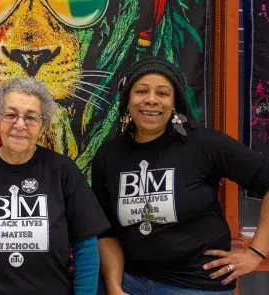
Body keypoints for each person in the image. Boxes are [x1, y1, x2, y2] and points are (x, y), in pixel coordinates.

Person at [92, 56, 269, 295]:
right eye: (141, 91)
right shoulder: (109, 155)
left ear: (174, 102)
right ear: (127, 101)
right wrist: (114, 287)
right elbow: (107, 231)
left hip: (195, 286)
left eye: (163, 93)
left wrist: (255, 252)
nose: (151, 100)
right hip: (130, 283)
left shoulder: (204, 144)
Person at [0, 77, 111, 295]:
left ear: (43, 125)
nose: (20, 125)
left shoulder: (63, 171)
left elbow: (86, 246)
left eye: (31, 117)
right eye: (10, 115)